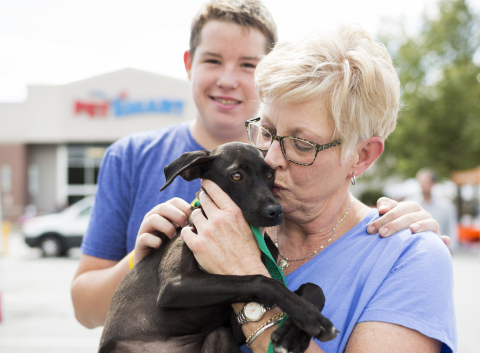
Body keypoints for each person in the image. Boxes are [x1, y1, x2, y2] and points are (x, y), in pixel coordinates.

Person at [71, 0, 450, 330]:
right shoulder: (132, 157)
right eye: (265, 132)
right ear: (189, 64)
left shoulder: (296, 196)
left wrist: (409, 236)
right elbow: (88, 309)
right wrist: (142, 261)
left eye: (248, 65)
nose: (228, 79)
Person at [174, 24, 457, 353]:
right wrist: (137, 263)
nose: (272, 158)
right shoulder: (222, 226)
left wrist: (244, 278)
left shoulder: (407, 258)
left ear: (362, 155)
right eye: (266, 131)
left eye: (302, 143)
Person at [408, 168, 458, 251]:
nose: (423, 185)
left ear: (434, 183)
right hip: (415, 250)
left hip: (439, 250)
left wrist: (451, 249)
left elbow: (451, 229)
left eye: (426, 182)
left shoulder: (446, 206)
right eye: (421, 182)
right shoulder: (409, 204)